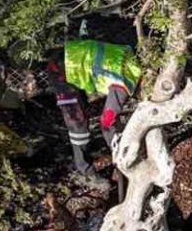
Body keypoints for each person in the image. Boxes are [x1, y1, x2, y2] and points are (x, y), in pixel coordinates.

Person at [47, 37, 142, 190]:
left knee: (84, 113)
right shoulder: (124, 84)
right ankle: (85, 171)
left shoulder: (132, 58)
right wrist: (117, 151)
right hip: (61, 71)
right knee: (77, 124)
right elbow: (107, 122)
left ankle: (90, 151)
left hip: (72, 55)